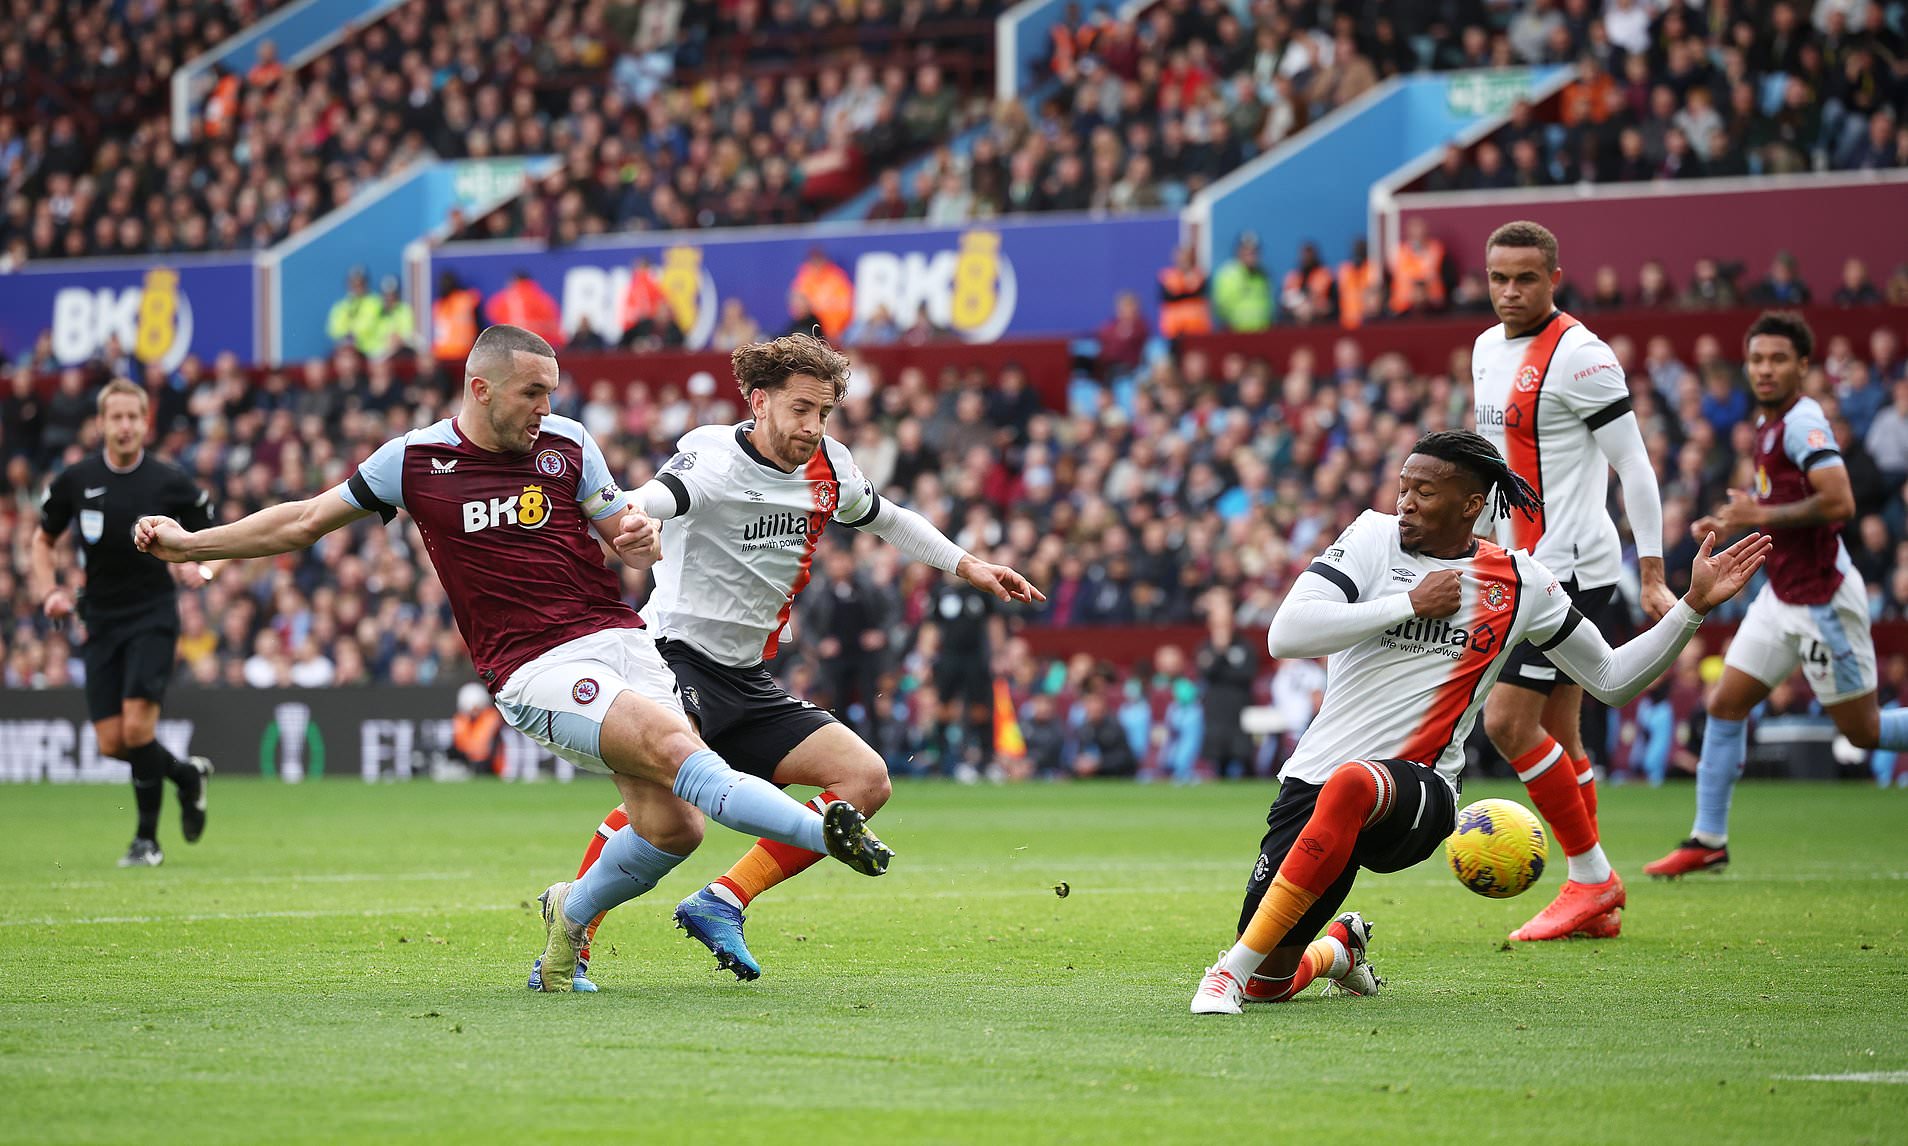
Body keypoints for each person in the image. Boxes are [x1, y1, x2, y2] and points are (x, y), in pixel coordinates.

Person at [134, 325, 894, 993]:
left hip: (623, 640)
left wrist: (638, 541)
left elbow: (624, 533)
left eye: (552, 393)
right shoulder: (416, 460)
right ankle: (819, 832)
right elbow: (301, 522)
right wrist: (192, 545)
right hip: (534, 666)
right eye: (533, 393)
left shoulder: (568, 445)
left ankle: (571, 915)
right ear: (480, 388)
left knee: (675, 829)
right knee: (677, 751)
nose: (546, 408)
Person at [1190, 431, 1769, 1014]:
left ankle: (1224, 974)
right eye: (1403, 488)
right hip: (1312, 786)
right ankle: (1338, 950)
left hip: (1422, 793)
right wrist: (1409, 603)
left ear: (1471, 505)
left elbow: (1612, 679)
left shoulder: (1521, 582)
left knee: (1355, 784)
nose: (1406, 502)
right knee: (1273, 982)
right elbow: (1285, 633)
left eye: (1425, 491)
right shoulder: (1370, 537)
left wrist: (1691, 609)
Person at [538, 333, 1041, 989]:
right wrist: (629, 518)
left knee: (866, 781)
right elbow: (654, 497)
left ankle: (722, 901)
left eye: (825, 412)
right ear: (759, 401)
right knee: (667, 808)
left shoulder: (831, 466)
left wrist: (967, 564)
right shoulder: (713, 456)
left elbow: (886, 517)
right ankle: (574, 933)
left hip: (746, 678)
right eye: (801, 409)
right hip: (672, 660)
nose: (813, 426)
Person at [1468, 219, 1674, 942]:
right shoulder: (1487, 349)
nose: (1511, 291)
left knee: (1507, 724)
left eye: (1526, 278)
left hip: (1572, 569)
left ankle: (1592, 877)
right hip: (1517, 565)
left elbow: (1636, 467)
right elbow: (1499, 464)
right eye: (1499, 278)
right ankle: (1596, 903)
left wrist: (1651, 572)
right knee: (1557, 727)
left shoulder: (1582, 357)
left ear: (1554, 277)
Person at [1645, 313, 1908, 877]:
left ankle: (1708, 838)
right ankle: (1707, 839)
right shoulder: (1767, 423)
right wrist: (1731, 522)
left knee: (1862, 730)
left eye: (1778, 359)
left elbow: (1839, 502)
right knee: (1724, 704)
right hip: (1779, 597)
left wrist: (1757, 513)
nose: (1765, 369)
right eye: (1757, 359)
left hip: (1823, 603)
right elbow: (1780, 509)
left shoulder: (1802, 421)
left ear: (1804, 366)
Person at [31, 379, 217, 867]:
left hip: (153, 614)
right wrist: (49, 591)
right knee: (112, 742)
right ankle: (185, 776)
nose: (126, 425)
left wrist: (204, 566)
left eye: (134, 416)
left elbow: (212, 530)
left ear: (146, 422)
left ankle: (146, 841)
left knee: (137, 729)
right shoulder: (75, 480)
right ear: (101, 423)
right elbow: (42, 539)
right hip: (100, 620)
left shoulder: (169, 481)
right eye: (116, 417)